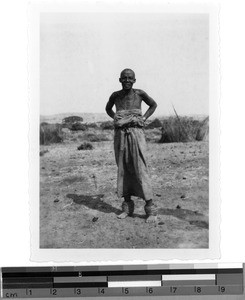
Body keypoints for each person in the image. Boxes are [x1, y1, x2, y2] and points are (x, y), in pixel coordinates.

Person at [105, 68, 158, 223]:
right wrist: (117, 118)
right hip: (120, 135)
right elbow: (108, 109)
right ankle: (127, 208)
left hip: (136, 133)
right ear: (120, 80)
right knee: (123, 167)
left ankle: (151, 211)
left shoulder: (140, 93)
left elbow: (153, 105)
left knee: (141, 168)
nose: (127, 80)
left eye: (130, 78)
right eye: (124, 78)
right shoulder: (115, 96)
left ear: (134, 80)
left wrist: (144, 118)